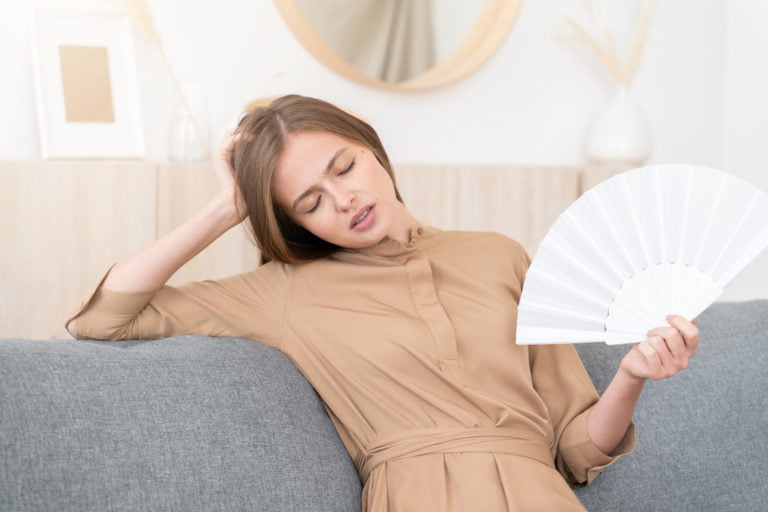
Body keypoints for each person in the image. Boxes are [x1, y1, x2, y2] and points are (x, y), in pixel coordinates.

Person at [65, 94, 699, 511]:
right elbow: (102, 319)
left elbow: (578, 450)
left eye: (344, 167)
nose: (341, 200)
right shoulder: (285, 293)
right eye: (309, 202)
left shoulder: (498, 255)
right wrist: (226, 208)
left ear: (374, 151)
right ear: (298, 225)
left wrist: (631, 376)